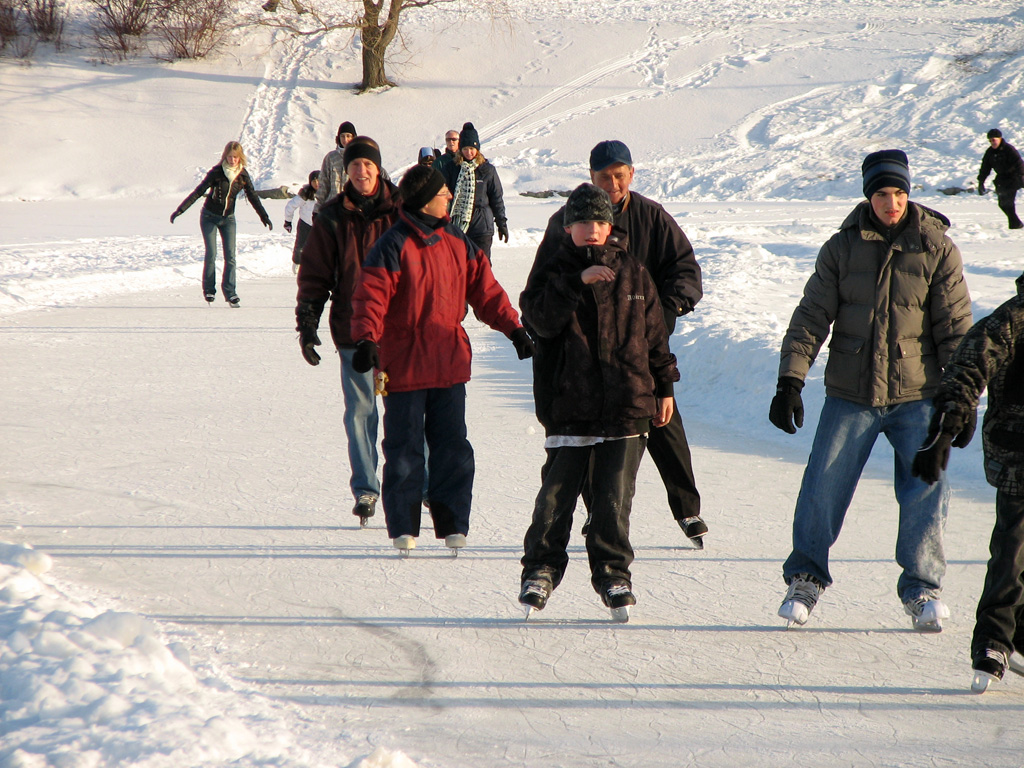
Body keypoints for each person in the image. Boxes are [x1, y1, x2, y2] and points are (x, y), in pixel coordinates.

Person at [770, 149, 973, 631]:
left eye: (900, 192)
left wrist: (962, 396)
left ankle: (922, 588)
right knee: (823, 486)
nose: (892, 202)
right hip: (851, 393)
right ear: (869, 196)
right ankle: (805, 579)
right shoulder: (841, 249)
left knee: (927, 487)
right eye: (882, 193)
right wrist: (790, 380)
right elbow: (810, 319)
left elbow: (955, 330)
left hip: (917, 394)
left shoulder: (936, 248)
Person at [348, 164, 534, 555]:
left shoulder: (457, 240)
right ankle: (403, 526)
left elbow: (486, 290)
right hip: (405, 364)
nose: (449, 195)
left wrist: (513, 329)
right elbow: (371, 295)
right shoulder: (393, 243)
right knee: (404, 450)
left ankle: (452, 523)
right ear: (424, 200)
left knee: (452, 448)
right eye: (442, 192)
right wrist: (366, 338)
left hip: (449, 362)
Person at [530, 139, 706, 546]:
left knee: (665, 423)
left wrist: (666, 310)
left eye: (619, 175)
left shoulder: (651, 216)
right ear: (591, 176)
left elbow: (685, 267)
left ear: (631, 174)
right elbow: (540, 291)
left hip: (638, 345)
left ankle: (687, 507)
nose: (613, 182)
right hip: (582, 355)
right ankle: (596, 516)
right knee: (595, 439)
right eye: (604, 176)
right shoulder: (568, 220)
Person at [518, 183, 680, 622]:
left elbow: (654, 336)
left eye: (601, 222)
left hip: (626, 404)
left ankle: (613, 573)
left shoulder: (634, 271)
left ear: (612, 226)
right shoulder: (552, 269)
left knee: (613, 499)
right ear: (568, 226)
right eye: (584, 222)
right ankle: (541, 570)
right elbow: (537, 319)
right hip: (569, 407)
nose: (593, 230)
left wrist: (664, 385)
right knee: (555, 498)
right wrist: (576, 282)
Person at [911, 273, 1024, 691]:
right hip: (1019, 454)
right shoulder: (1015, 318)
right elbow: (969, 365)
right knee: (1012, 552)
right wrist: (947, 424)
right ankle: (994, 641)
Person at [295, 137, 399, 526]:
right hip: (352, 328)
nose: (361, 173)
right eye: (355, 167)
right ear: (346, 172)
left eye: (367, 166)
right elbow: (315, 274)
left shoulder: (401, 209)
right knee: (360, 410)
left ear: (378, 168)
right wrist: (307, 324)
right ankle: (367, 489)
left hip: (397, 329)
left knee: (405, 410)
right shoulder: (333, 216)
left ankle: (414, 482)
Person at [171, 140, 272, 306]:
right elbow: (198, 192)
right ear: (225, 156)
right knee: (211, 254)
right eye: (230, 157)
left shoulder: (243, 175)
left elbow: (253, 196)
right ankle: (209, 290)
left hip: (228, 219)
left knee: (230, 256)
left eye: (236, 158)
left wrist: (264, 216)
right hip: (209, 216)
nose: (232, 160)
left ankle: (230, 293)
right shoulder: (217, 172)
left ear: (240, 158)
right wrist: (180, 210)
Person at [440, 122, 508, 258]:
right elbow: (441, 194)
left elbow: (496, 198)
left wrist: (501, 223)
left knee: (482, 268)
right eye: (465, 149)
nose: (469, 152)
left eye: (472, 148)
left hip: (482, 228)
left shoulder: (487, 170)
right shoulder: (451, 168)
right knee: (460, 268)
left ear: (477, 149)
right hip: (457, 227)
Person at [977, 128, 1024, 230]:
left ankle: (1014, 225)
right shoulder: (990, 152)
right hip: (1002, 179)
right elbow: (985, 167)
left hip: (1014, 177)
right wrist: (981, 181)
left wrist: (1020, 177)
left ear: (1000, 139)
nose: (992, 142)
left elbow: (1019, 163)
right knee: (1002, 204)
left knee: (1008, 203)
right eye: (990, 141)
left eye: (994, 140)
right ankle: (1016, 223)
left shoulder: (1009, 149)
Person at [314, 120, 357, 213]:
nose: (345, 139)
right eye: (342, 136)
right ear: (338, 138)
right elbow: (323, 185)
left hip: (352, 210)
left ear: (354, 137)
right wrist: (317, 210)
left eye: (348, 136)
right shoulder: (331, 157)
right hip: (332, 208)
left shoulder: (358, 157)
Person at [283, 170, 319, 273]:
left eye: (318, 180)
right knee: (300, 246)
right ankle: (297, 263)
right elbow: (290, 206)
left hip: (321, 224)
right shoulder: (306, 194)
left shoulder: (327, 192)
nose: (316, 183)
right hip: (306, 224)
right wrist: (288, 221)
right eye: (314, 181)